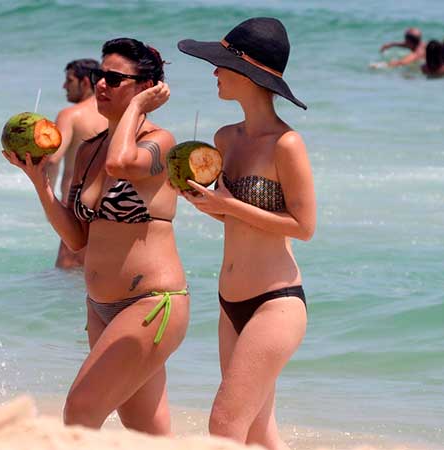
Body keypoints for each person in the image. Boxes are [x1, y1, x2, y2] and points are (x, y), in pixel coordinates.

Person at [3, 38, 189, 435]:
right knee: (146, 429)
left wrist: (137, 109)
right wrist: (40, 184)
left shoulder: (160, 142)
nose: (100, 84)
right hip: (100, 308)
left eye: (114, 78)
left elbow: (122, 164)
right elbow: (76, 238)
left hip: (152, 304)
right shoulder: (88, 150)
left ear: (146, 87)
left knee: (79, 411)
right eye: (100, 75)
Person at [178, 17, 316, 450]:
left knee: (223, 425)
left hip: (276, 302)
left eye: (221, 64)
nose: (214, 72)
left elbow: (304, 227)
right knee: (257, 431)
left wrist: (228, 205)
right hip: (229, 302)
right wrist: (206, 205)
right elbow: (234, 218)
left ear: (247, 74)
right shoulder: (224, 138)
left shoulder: (286, 144)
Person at [48, 59, 107, 269]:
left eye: (69, 80)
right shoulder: (115, 114)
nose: (64, 86)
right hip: (109, 206)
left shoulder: (70, 115)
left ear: (84, 82)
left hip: (76, 206)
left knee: (68, 269)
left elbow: (53, 158)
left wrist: (51, 199)